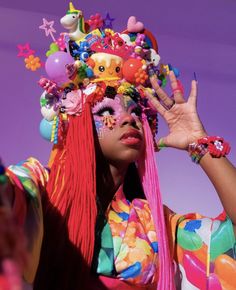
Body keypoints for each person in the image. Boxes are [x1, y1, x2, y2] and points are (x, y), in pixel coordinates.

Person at [0, 3, 236, 290]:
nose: (129, 119)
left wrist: (198, 143)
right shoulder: (43, 189)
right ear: (77, 122)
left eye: (137, 111)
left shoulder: (154, 222)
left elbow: (227, 244)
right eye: (106, 112)